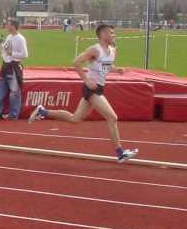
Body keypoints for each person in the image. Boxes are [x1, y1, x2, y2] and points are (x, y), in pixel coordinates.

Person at [28, 24, 139, 163]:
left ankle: (42, 112)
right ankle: (120, 153)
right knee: (112, 117)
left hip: (99, 88)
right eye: (111, 33)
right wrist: (86, 80)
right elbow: (76, 62)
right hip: (91, 89)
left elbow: (107, 66)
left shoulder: (112, 50)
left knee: (75, 119)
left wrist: (116, 70)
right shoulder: (94, 50)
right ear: (103, 35)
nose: (114, 35)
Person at [0, 19, 29, 120]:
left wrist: (12, 53)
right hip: (5, 66)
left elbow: (25, 54)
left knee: (14, 92)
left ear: (13, 26)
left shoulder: (20, 39)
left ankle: (13, 115)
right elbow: (5, 52)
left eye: (8, 25)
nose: (6, 26)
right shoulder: (9, 37)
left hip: (14, 66)